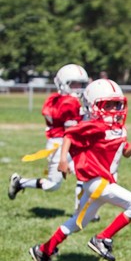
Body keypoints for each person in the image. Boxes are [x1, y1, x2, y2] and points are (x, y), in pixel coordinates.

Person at [29, 78, 131, 261]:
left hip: (102, 183)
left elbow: (125, 153)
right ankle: (102, 239)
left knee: (78, 223)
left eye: (117, 103)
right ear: (93, 106)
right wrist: (62, 160)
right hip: (98, 183)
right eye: (108, 104)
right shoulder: (95, 125)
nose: (115, 109)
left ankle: (43, 250)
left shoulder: (118, 128)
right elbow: (69, 135)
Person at [8, 63, 89, 213]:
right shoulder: (69, 103)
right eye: (74, 84)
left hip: (60, 141)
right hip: (62, 145)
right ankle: (20, 182)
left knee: (84, 175)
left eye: (81, 84)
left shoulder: (56, 98)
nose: (78, 88)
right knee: (52, 185)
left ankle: (82, 212)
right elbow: (70, 131)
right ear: (63, 84)